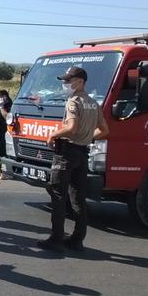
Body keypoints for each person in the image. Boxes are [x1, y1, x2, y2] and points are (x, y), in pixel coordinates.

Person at [38, 66, 109, 252]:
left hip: (66, 153)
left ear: (80, 81)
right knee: (78, 198)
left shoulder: (73, 102)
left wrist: (53, 135)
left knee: (58, 195)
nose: (65, 84)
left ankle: (56, 239)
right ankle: (77, 240)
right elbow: (105, 130)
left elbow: (71, 128)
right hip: (82, 154)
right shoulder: (93, 103)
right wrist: (88, 137)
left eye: (68, 81)